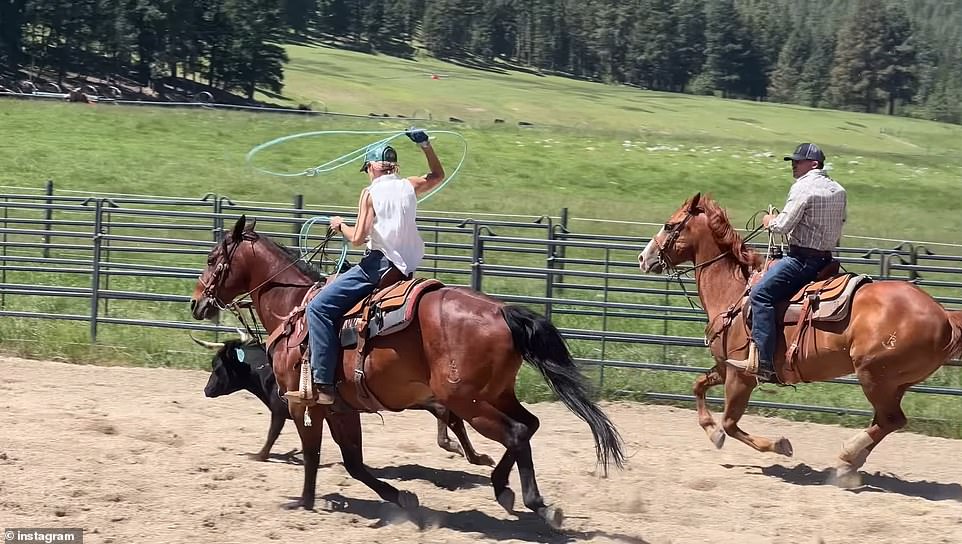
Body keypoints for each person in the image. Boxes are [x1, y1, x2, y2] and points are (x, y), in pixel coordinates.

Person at [306, 128, 445, 404]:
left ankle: (323, 384)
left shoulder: (369, 193)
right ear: (394, 166)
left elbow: (358, 239)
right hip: (404, 270)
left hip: (377, 267)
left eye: (367, 169)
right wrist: (426, 145)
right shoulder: (410, 185)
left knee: (318, 308)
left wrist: (339, 225)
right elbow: (438, 175)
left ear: (371, 166)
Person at [733, 143, 847, 383]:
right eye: (793, 160)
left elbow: (782, 226)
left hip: (801, 260)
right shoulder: (839, 190)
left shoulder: (803, 187)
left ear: (814, 164)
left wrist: (769, 220)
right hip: (826, 260)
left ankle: (763, 363)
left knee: (760, 295)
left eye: (798, 161)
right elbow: (841, 222)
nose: (794, 164)